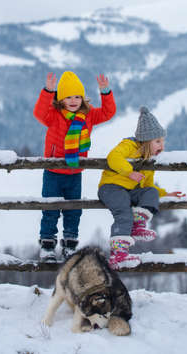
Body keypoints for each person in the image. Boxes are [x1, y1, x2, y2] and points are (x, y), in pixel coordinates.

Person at [33, 70, 116, 262]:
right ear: (61, 99)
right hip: (53, 172)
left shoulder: (87, 115)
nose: (73, 100)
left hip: (74, 172)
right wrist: (47, 91)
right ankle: (47, 247)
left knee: (73, 210)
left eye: (77, 96)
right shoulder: (53, 115)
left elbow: (107, 112)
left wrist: (106, 92)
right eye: (68, 96)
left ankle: (70, 246)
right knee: (50, 209)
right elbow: (39, 112)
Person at [98, 106, 185, 270]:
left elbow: (147, 186)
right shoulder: (129, 145)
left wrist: (166, 193)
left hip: (129, 191)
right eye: (158, 141)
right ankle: (118, 254)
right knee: (123, 212)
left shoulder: (149, 160)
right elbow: (113, 157)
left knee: (150, 192)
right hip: (111, 188)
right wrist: (129, 172)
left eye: (163, 141)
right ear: (146, 141)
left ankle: (138, 225)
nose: (162, 145)